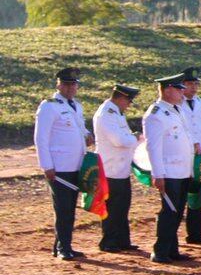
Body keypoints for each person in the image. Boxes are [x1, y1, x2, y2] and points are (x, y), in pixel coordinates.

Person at [35, 67, 94, 260]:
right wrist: (46, 166)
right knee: (63, 208)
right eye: (66, 84)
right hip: (59, 166)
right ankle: (63, 248)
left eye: (73, 84)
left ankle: (63, 244)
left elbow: (80, 128)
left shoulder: (76, 105)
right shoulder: (49, 106)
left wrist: (87, 136)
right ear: (58, 84)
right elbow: (41, 138)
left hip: (76, 164)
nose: (70, 88)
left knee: (69, 207)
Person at [144, 73, 197, 263]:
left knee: (178, 211)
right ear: (167, 90)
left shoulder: (177, 110)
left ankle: (172, 249)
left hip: (182, 169)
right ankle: (160, 250)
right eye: (178, 89)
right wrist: (158, 174)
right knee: (169, 211)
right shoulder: (156, 114)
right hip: (169, 171)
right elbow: (153, 147)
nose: (182, 92)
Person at [93, 84, 141, 252]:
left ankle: (122, 240)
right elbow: (119, 140)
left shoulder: (116, 113)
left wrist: (131, 138)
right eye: (128, 101)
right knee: (112, 208)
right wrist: (134, 139)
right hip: (110, 168)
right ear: (120, 98)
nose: (129, 105)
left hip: (120, 168)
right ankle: (109, 241)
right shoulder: (107, 114)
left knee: (122, 207)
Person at [178, 67, 201, 243]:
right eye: (189, 84)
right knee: (180, 195)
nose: (193, 87)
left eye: (195, 84)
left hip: (200, 157)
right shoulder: (177, 104)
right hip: (184, 155)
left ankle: (195, 233)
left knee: (198, 193)